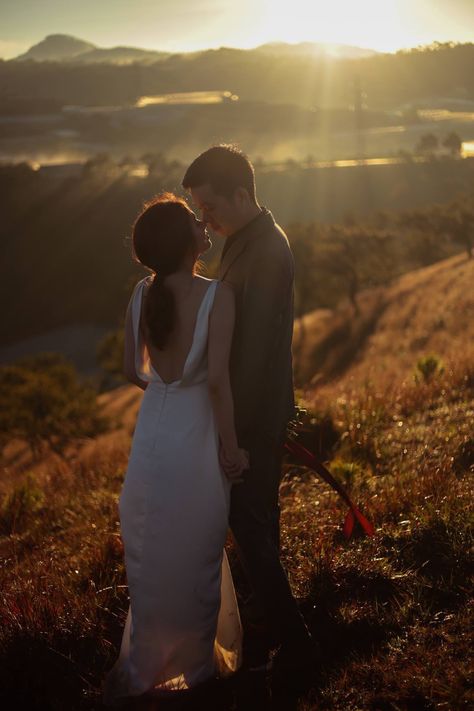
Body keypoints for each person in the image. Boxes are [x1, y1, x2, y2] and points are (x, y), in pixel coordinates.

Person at [102, 193, 245, 706]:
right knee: (198, 551)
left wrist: (165, 390)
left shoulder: (142, 294)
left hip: (152, 437)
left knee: (157, 552)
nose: (202, 221)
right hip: (196, 439)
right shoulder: (217, 295)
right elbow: (217, 385)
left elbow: (129, 372)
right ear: (182, 240)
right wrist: (231, 449)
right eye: (192, 219)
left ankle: (154, 662)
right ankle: (197, 672)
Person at [182, 145, 314, 683]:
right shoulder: (241, 241)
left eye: (209, 206)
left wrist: (233, 434)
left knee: (247, 523)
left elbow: (255, 353)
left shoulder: (266, 251)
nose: (204, 220)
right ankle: (266, 638)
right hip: (247, 412)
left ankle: (297, 642)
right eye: (198, 211)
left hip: (255, 414)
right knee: (258, 526)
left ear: (242, 194)